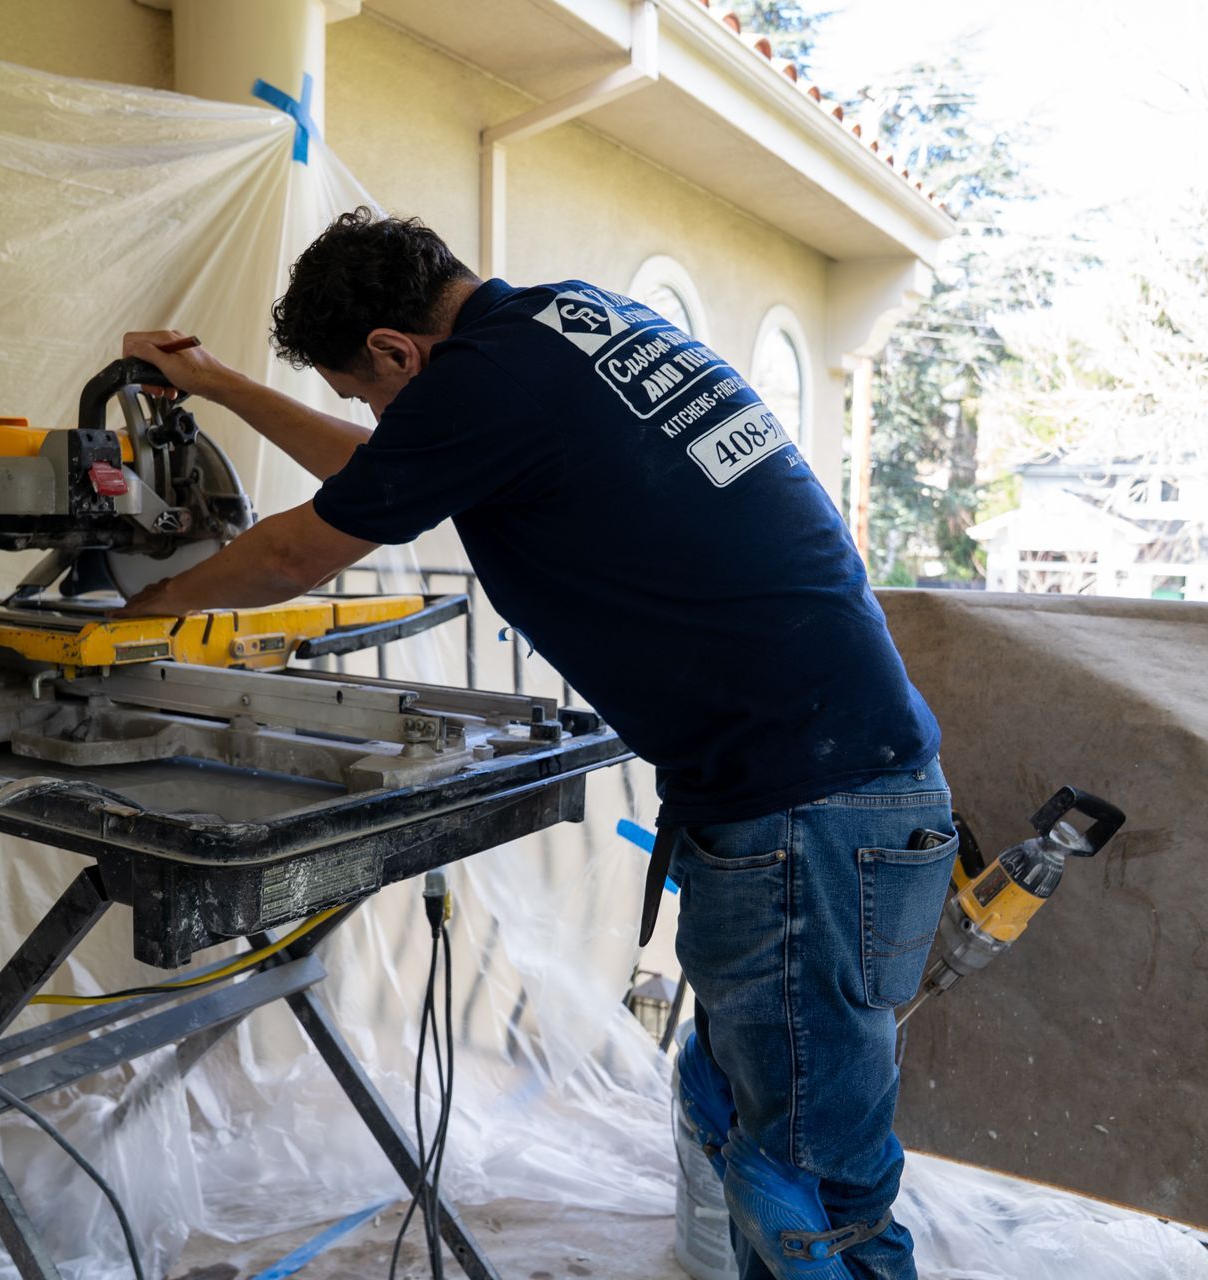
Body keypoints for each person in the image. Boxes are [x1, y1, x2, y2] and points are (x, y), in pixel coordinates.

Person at [115, 208, 954, 1280]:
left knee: (810, 1184)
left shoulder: (489, 382)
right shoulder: (570, 326)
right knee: (752, 1112)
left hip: (803, 811)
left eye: (368, 389)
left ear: (393, 350)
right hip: (847, 784)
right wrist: (224, 385)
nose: (374, 410)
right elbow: (390, 470)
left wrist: (121, 623)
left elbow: (290, 558)